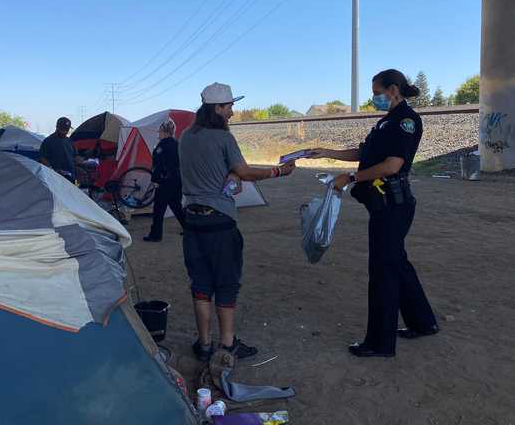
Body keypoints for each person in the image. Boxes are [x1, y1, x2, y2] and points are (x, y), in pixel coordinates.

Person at [308, 69, 438, 358]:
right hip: (385, 203)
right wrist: (324, 152)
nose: (374, 98)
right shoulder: (387, 122)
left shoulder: (405, 121)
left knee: (383, 271)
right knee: (397, 262)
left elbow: (392, 165)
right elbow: (363, 152)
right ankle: (423, 322)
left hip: (392, 204)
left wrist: (351, 178)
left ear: (393, 89)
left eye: (377, 93)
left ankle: (379, 343)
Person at [179, 82, 296, 362]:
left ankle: (204, 344)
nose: (232, 112)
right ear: (217, 108)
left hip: (192, 221)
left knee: (201, 284)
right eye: (229, 106)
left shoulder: (185, 136)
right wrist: (278, 171)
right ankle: (227, 343)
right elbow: (243, 172)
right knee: (226, 283)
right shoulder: (223, 138)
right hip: (219, 221)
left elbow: (210, 172)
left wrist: (228, 177)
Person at [144, 119, 186, 242]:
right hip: (177, 180)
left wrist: (155, 180)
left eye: (160, 131)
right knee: (176, 206)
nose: (159, 133)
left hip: (164, 182)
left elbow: (158, 165)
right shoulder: (177, 144)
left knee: (158, 209)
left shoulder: (161, 146)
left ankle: (155, 235)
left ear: (165, 132)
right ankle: (189, 229)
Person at [39, 117, 76, 182]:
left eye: (67, 129)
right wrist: (52, 170)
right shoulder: (48, 141)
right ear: (57, 127)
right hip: (55, 178)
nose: (65, 131)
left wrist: (86, 161)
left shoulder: (69, 141)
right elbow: (42, 158)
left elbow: (75, 156)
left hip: (70, 176)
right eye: (63, 129)